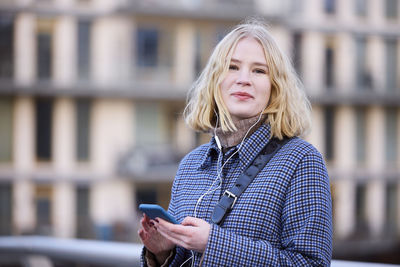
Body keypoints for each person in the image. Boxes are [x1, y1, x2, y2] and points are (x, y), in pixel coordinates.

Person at [138, 18, 332, 266]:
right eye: (232, 67)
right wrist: (163, 253)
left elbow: (312, 263)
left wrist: (213, 243)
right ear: (215, 81)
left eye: (259, 70)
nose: (244, 79)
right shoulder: (190, 165)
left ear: (275, 88)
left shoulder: (302, 161)